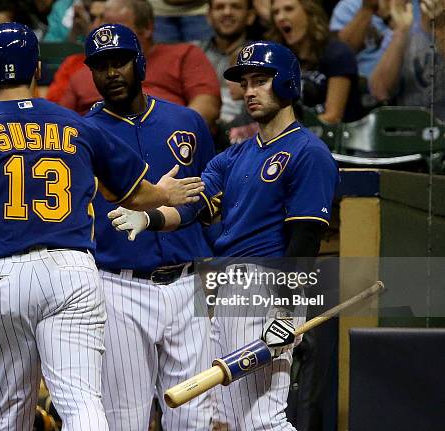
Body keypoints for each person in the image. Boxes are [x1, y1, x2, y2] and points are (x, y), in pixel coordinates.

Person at [0, 22, 204, 431]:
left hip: (1, 276)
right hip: (72, 271)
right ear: (38, 69)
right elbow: (135, 194)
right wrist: (166, 194)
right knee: (82, 405)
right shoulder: (78, 124)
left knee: (6, 416)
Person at [108, 41, 339, 430]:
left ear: (286, 85)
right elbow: (193, 202)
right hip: (226, 283)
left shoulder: (307, 151)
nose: (249, 91)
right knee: (232, 416)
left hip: (266, 285)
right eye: (245, 82)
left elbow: (305, 239)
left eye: (261, 81)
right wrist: (150, 218)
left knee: (262, 419)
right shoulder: (235, 154)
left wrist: (285, 309)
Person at [83, 23, 215, 430]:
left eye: (119, 61)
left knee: (194, 417)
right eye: (100, 65)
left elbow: (212, 199)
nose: (111, 73)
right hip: (118, 285)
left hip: (188, 282)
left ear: (138, 61)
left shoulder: (187, 121)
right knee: (125, 419)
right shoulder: (82, 132)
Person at [60, 0, 221, 128]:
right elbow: (61, 123)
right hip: (99, 148)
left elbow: (207, 107)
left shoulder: (184, 55)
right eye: (101, 21)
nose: (104, 33)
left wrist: (169, 133)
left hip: (166, 141)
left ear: (147, 28)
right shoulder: (83, 72)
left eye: (116, 26)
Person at [268, 0, 364, 123]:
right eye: (275, 12)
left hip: (333, 138)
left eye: (289, 9)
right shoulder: (280, 57)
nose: (280, 17)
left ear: (310, 13)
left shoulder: (337, 53)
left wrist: (287, 134)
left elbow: (333, 117)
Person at [369, 0, 443, 118]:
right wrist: (401, 32)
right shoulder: (406, 25)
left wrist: (440, 28)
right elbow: (380, 90)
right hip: (411, 129)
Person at [200, 0, 256, 124]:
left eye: (235, 6)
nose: (227, 12)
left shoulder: (262, 56)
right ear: (209, 15)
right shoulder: (194, 54)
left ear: (250, 16)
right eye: (220, 7)